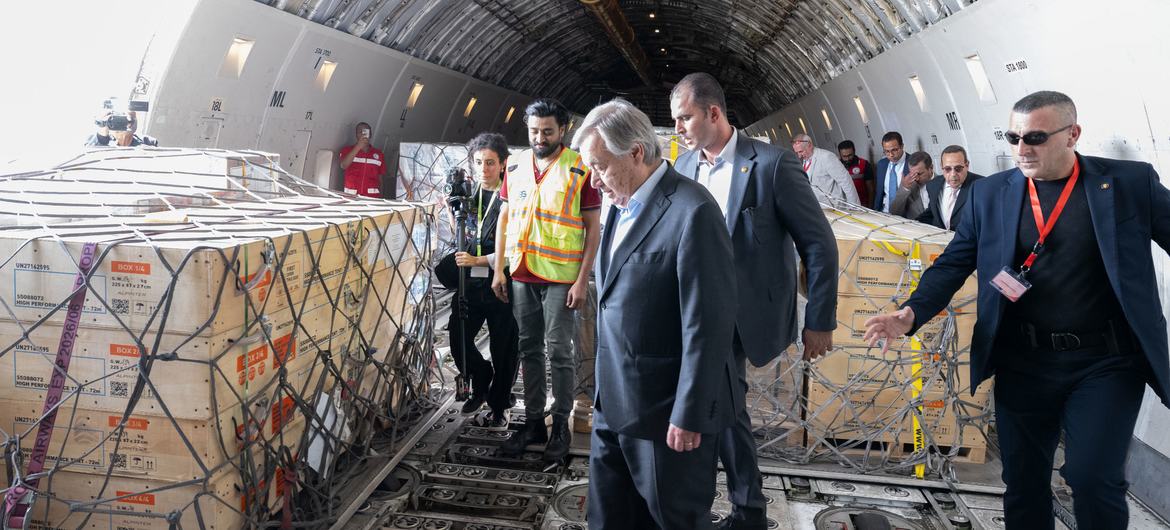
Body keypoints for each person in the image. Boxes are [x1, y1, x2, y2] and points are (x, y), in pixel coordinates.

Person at [863, 91, 1170, 530]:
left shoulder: (1126, 184)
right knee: (1023, 483)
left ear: (1073, 134)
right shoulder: (991, 194)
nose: (1022, 149)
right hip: (1024, 361)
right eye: (1014, 137)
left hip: (1105, 361)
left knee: (1091, 477)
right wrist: (910, 313)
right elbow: (953, 263)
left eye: (1036, 137)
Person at [670, 72, 839, 530]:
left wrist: (819, 318)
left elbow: (819, 244)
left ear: (714, 112)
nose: (679, 129)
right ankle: (743, 510)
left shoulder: (771, 164)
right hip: (693, 310)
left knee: (716, 406)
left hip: (743, 312)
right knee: (724, 408)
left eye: (685, 118)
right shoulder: (683, 169)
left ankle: (725, 508)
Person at [576, 98, 737, 530]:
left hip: (664, 416)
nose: (594, 181)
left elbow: (708, 326)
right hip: (613, 403)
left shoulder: (693, 212)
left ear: (635, 153)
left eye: (600, 166)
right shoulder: (619, 204)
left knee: (672, 521)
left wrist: (689, 412)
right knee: (609, 518)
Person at [493, 98, 603, 463]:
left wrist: (582, 279)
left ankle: (561, 425)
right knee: (529, 349)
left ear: (563, 130)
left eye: (547, 131)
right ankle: (533, 423)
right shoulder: (516, 165)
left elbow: (592, 229)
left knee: (559, 350)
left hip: (561, 276)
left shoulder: (579, 168)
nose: (540, 137)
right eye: (534, 131)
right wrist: (499, 270)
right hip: (522, 271)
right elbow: (505, 219)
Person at [436, 132, 519, 429]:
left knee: (505, 347)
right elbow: (467, 237)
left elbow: (515, 246)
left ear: (502, 164)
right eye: (479, 162)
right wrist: (449, 210)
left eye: (490, 163)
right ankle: (481, 379)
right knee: (458, 339)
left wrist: (480, 261)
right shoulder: (468, 196)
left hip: (500, 282)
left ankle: (499, 405)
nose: (484, 169)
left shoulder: (512, 197)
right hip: (469, 282)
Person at [917, 145, 984, 230]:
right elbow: (932, 212)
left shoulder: (982, 186)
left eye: (958, 168)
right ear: (942, 166)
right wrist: (911, 224)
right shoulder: (933, 185)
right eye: (947, 169)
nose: (953, 174)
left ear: (967, 165)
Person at [790, 134, 860, 204]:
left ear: (809, 145)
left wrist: (856, 208)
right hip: (823, 207)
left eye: (801, 151)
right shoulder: (806, 160)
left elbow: (846, 182)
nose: (799, 156)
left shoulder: (826, 157)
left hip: (837, 207)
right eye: (797, 153)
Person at [339, 122, 385, 198]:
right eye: (360, 132)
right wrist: (358, 146)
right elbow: (343, 165)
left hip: (372, 197)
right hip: (351, 196)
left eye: (365, 132)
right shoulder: (347, 150)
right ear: (356, 135)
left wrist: (382, 198)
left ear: (370, 134)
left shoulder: (379, 154)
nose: (363, 134)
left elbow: (380, 178)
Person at [889, 151, 934, 220]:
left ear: (931, 168)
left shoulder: (943, 183)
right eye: (912, 174)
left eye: (919, 174)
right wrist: (904, 188)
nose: (916, 178)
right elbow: (894, 212)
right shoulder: (908, 184)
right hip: (915, 228)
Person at [873, 131, 909, 212]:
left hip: (906, 215)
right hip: (884, 212)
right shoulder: (881, 165)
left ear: (902, 146)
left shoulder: (912, 163)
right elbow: (879, 192)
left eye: (894, 150)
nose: (891, 155)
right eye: (887, 151)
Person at [86, 109, 157, 147]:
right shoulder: (99, 140)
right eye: (121, 119)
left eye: (132, 118)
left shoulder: (148, 142)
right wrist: (102, 135)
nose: (128, 122)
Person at [838, 140, 874, 207]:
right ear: (840, 155)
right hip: (845, 205)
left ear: (854, 151)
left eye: (850, 155)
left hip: (863, 205)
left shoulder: (864, 164)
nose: (847, 159)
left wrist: (870, 206)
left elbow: (871, 189)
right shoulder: (836, 166)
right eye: (844, 156)